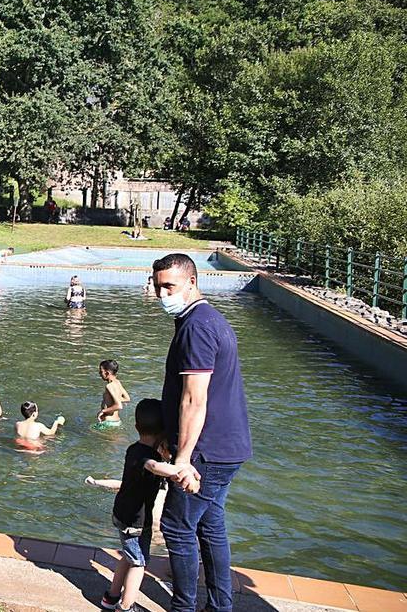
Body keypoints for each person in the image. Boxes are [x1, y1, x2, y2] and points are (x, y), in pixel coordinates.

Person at [153, 253, 252, 612]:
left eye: (169, 286)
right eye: (158, 285)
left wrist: (182, 459)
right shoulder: (208, 319)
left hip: (205, 454)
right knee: (210, 527)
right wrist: (170, 434)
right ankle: (220, 606)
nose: (162, 293)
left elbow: (194, 400)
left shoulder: (196, 327)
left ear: (192, 283)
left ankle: (183, 607)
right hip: (227, 448)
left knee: (177, 528)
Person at [98, 399, 182, 612]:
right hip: (134, 522)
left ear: (137, 427)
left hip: (125, 515)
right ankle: (126, 607)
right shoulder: (147, 457)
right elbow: (153, 466)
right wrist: (180, 470)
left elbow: (154, 466)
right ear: (164, 431)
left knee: (128, 557)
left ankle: (111, 597)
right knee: (139, 563)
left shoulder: (133, 449)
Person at [96, 359, 131, 427]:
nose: (99, 374)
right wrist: (115, 399)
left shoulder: (109, 386)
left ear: (107, 373)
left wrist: (103, 411)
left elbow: (119, 406)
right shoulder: (117, 382)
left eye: (101, 371)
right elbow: (127, 398)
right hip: (117, 422)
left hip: (108, 423)